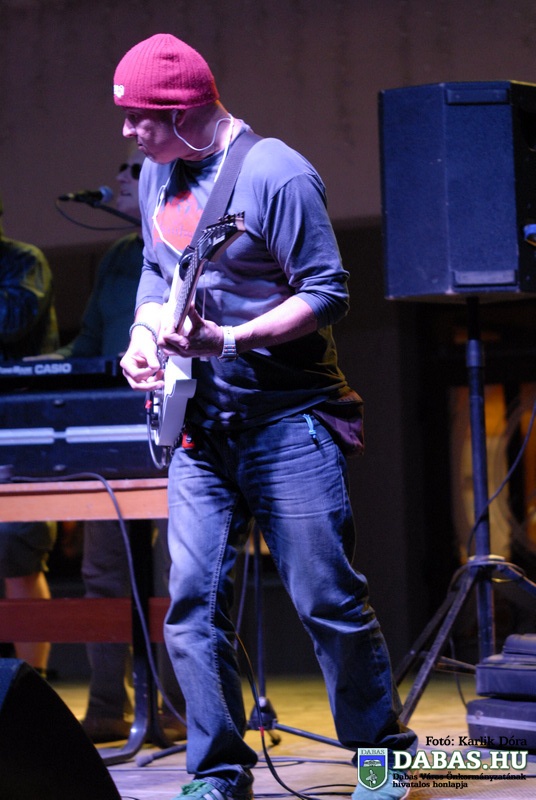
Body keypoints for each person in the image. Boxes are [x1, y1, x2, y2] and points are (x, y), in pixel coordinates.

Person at [114, 33, 417, 800]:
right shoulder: (155, 174)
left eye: (140, 117)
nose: (127, 131)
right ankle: (218, 772)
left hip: (288, 420)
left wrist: (229, 338)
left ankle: (382, 762)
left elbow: (328, 292)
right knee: (190, 605)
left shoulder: (276, 172)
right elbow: (155, 270)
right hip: (202, 423)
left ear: (183, 111)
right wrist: (144, 334)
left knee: (326, 599)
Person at [56, 152, 186, 744]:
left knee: (183, 569)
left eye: (132, 169)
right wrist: (39, 368)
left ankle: (185, 707)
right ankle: (110, 704)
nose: (118, 179)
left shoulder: (185, 242)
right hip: (113, 433)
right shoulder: (114, 257)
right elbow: (87, 341)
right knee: (104, 568)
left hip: (176, 423)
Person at [0, 192, 59, 676]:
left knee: (16, 550)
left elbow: (12, 321)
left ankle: (30, 684)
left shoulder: (23, 261)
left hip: (17, 429)